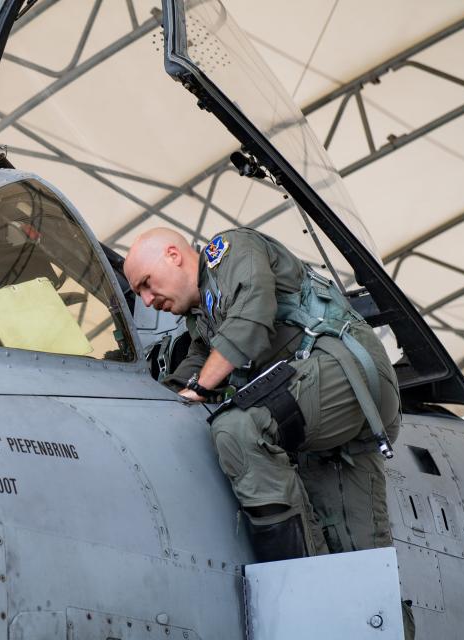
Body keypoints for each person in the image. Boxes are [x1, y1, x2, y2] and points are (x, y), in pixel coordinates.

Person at [123, 226, 402, 562]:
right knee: (365, 574)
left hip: (347, 367)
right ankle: (332, 597)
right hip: (319, 416)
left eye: (146, 283)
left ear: (173, 255)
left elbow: (250, 317)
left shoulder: (228, 251)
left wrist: (199, 387)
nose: (148, 300)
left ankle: (300, 579)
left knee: (239, 429)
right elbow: (195, 364)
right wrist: (155, 401)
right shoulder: (203, 320)